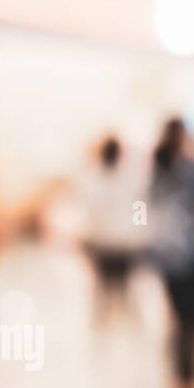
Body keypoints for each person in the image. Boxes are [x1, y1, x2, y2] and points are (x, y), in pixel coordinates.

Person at [147, 118, 194, 388]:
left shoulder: (157, 177)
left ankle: (183, 375)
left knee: (181, 320)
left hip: (171, 259)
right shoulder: (193, 173)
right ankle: (190, 375)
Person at [78, 135, 144, 319]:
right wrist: (138, 231)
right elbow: (140, 206)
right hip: (122, 241)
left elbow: (87, 209)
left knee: (107, 287)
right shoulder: (130, 179)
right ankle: (120, 319)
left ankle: (107, 319)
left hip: (105, 241)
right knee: (123, 287)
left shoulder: (94, 179)